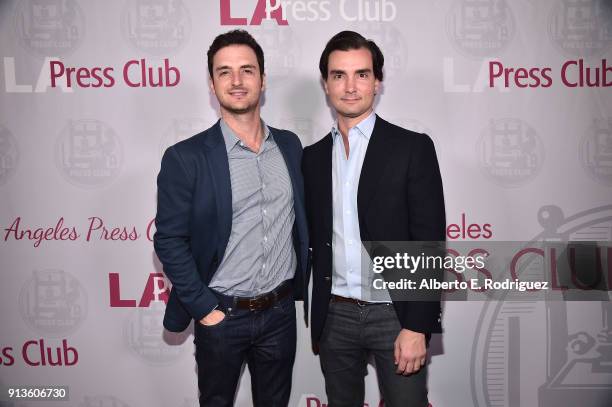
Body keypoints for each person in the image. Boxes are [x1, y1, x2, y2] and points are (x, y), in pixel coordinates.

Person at [154, 29, 308, 407]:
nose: (237, 81)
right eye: (225, 72)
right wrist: (205, 309)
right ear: (212, 83)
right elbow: (169, 240)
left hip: (280, 314)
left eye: (246, 70)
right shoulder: (186, 157)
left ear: (263, 79)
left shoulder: (289, 146)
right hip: (222, 315)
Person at [302, 31, 445, 407]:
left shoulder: (412, 148)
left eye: (361, 74)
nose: (350, 87)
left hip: (395, 315)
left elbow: (429, 244)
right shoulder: (312, 158)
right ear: (326, 83)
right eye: (338, 75)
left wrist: (417, 326)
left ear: (377, 81)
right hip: (334, 316)